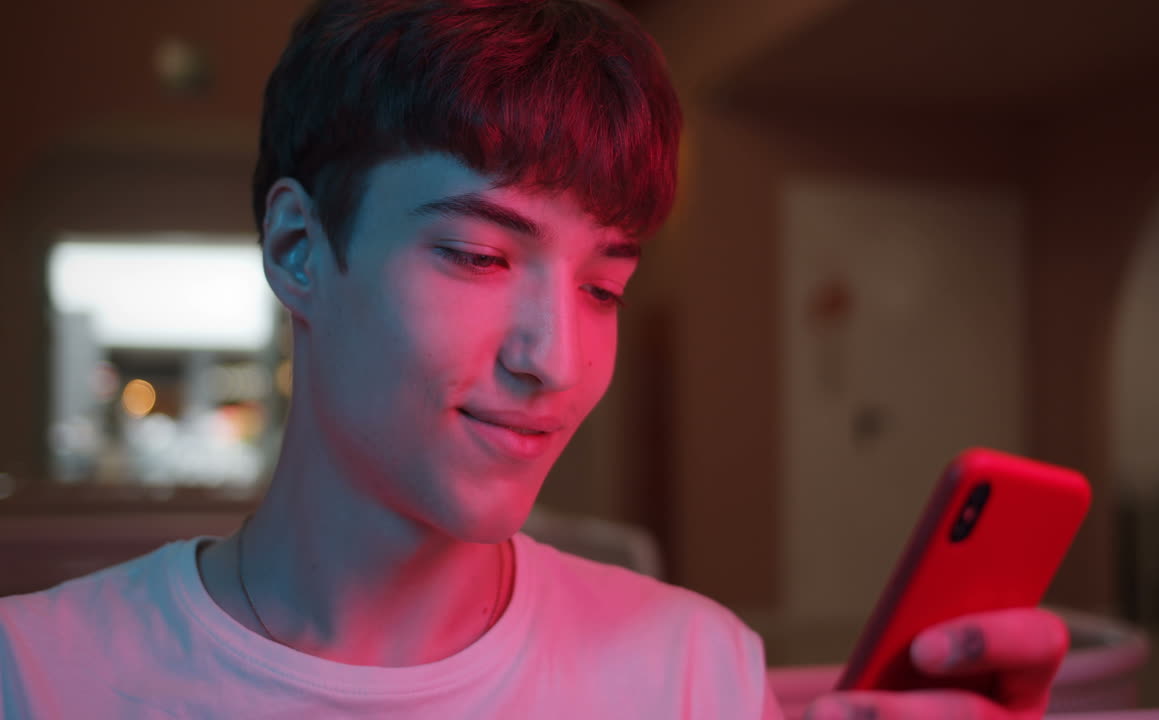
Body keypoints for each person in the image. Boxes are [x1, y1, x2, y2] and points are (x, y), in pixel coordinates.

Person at [0, 1, 1069, 717]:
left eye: (603, 285)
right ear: (298, 250)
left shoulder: (690, 670)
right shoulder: (43, 673)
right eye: (476, 254)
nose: (555, 358)